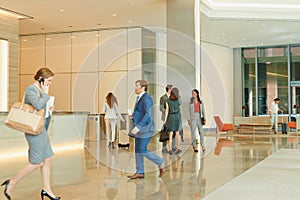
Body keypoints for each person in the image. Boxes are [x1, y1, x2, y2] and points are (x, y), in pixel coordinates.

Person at [1, 68, 60, 200]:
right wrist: (45, 95)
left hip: (41, 130)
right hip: (33, 131)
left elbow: (42, 111)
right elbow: (38, 106)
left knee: (47, 159)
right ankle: (12, 182)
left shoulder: (41, 91)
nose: (50, 83)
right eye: (49, 81)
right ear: (41, 79)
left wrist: (49, 110)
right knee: (37, 162)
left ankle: (47, 190)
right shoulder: (31, 90)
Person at [127, 80, 164, 179]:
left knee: (142, 149)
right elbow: (141, 113)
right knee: (137, 150)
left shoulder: (147, 98)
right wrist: (133, 116)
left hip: (145, 128)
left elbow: (148, 114)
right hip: (139, 128)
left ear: (143, 87)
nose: (135, 88)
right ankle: (140, 171)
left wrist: (138, 127)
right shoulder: (139, 98)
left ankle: (159, 161)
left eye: (137, 86)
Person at [164, 87, 182, 155]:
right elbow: (180, 110)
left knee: (170, 134)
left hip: (171, 116)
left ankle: (170, 149)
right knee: (177, 133)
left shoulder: (168, 101)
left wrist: (165, 120)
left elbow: (167, 111)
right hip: (177, 116)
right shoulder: (179, 100)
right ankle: (178, 148)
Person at [159, 84, 176, 153]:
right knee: (165, 132)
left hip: (173, 117)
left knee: (173, 131)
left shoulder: (174, 97)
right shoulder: (163, 98)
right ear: (168, 90)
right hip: (166, 117)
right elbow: (161, 107)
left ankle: (173, 146)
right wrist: (167, 111)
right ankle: (164, 147)